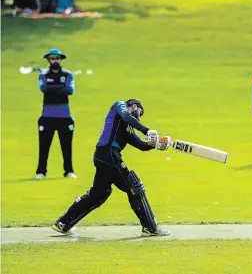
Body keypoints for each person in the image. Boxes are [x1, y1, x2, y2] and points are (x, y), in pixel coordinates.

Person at [51, 99, 172, 237]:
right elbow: (127, 116)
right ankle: (150, 228)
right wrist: (146, 130)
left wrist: (157, 144)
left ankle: (63, 223)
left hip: (103, 157)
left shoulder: (127, 127)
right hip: (108, 154)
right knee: (134, 186)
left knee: (99, 194)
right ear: (134, 106)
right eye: (140, 113)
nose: (140, 116)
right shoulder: (119, 106)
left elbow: (141, 146)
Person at [36, 49, 77, 179]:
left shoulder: (68, 74)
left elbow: (70, 90)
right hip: (47, 116)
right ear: (49, 60)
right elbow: (43, 88)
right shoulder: (44, 75)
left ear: (60, 60)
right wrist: (60, 87)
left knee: (66, 146)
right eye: (53, 58)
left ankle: (69, 171)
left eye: (57, 58)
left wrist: (53, 87)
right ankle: (41, 172)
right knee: (44, 146)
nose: (55, 61)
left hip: (64, 116)